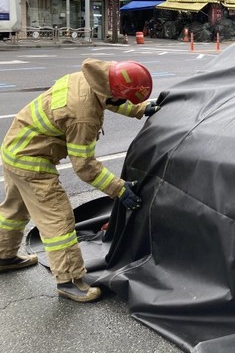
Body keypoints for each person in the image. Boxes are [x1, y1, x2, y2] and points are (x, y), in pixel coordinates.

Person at [0, 59, 160, 302]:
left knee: (14, 209)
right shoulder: (83, 116)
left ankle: (4, 256)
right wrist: (119, 189)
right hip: (32, 162)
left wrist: (140, 109)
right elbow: (84, 167)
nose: (122, 103)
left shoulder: (93, 79)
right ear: (113, 92)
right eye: (123, 99)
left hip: (14, 148)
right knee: (58, 219)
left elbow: (111, 99)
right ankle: (69, 280)